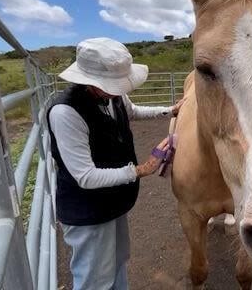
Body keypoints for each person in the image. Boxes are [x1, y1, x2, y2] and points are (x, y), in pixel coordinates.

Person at [47, 37, 183, 290]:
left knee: (117, 262)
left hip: (112, 202)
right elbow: (85, 176)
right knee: (93, 279)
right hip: (87, 211)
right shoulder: (66, 112)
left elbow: (132, 112)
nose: (121, 88)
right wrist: (142, 169)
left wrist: (169, 110)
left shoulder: (112, 96)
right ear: (91, 81)